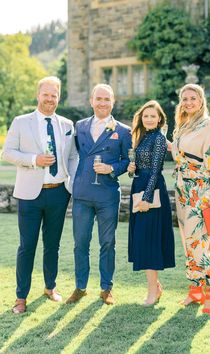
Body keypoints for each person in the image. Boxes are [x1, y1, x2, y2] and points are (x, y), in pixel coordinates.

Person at [2, 76, 78, 314]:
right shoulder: (21, 122)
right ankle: (21, 297)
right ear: (38, 95)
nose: (50, 99)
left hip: (58, 194)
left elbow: (74, 156)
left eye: (54, 95)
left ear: (59, 97)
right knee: (27, 246)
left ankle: (50, 287)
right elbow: (7, 153)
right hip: (30, 195)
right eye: (46, 94)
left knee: (52, 246)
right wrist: (34, 160)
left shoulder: (67, 125)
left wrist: (72, 182)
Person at [66, 84, 131, 305]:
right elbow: (73, 155)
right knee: (80, 243)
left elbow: (128, 161)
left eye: (107, 99)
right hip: (83, 193)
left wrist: (111, 168)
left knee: (107, 242)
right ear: (91, 101)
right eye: (99, 99)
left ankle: (106, 288)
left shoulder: (122, 130)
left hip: (107, 195)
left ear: (113, 102)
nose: (102, 103)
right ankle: (80, 287)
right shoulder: (80, 126)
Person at [171, 83, 210, 314]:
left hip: (201, 189)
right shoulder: (182, 125)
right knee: (188, 242)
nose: (188, 102)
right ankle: (195, 291)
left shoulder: (209, 125)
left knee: (199, 243)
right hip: (182, 189)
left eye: (193, 98)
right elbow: (178, 154)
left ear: (201, 100)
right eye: (185, 99)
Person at [128, 100, 175, 306]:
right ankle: (155, 287)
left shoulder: (158, 138)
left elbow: (156, 171)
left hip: (151, 191)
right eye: (145, 116)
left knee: (148, 241)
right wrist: (132, 169)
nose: (148, 119)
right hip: (140, 186)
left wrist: (147, 199)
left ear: (159, 119)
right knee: (143, 240)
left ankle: (152, 292)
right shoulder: (143, 137)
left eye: (152, 116)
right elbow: (142, 167)